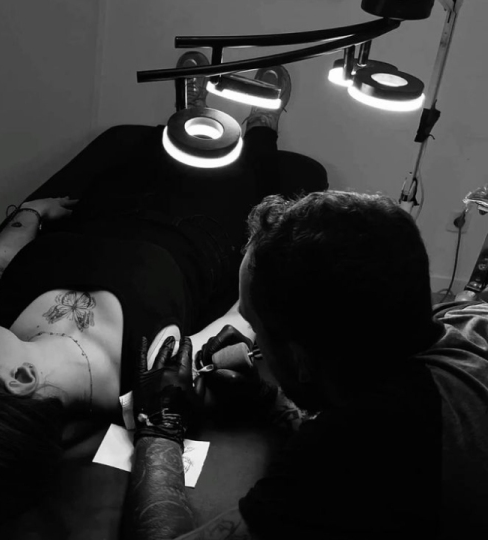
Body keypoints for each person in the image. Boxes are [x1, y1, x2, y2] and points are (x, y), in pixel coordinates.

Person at [0, 57, 321, 529]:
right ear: (20, 378)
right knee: (247, 178)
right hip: (201, 233)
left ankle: (191, 107)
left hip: (104, 208)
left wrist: (32, 212)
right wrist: (264, 246)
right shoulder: (155, 374)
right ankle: (264, 124)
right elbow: (246, 311)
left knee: (163, 143)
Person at [124, 135, 488, 536]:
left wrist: (158, 427)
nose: (254, 345)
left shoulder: (357, 449)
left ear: (300, 359)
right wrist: (269, 399)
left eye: (254, 325)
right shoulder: (467, 318)